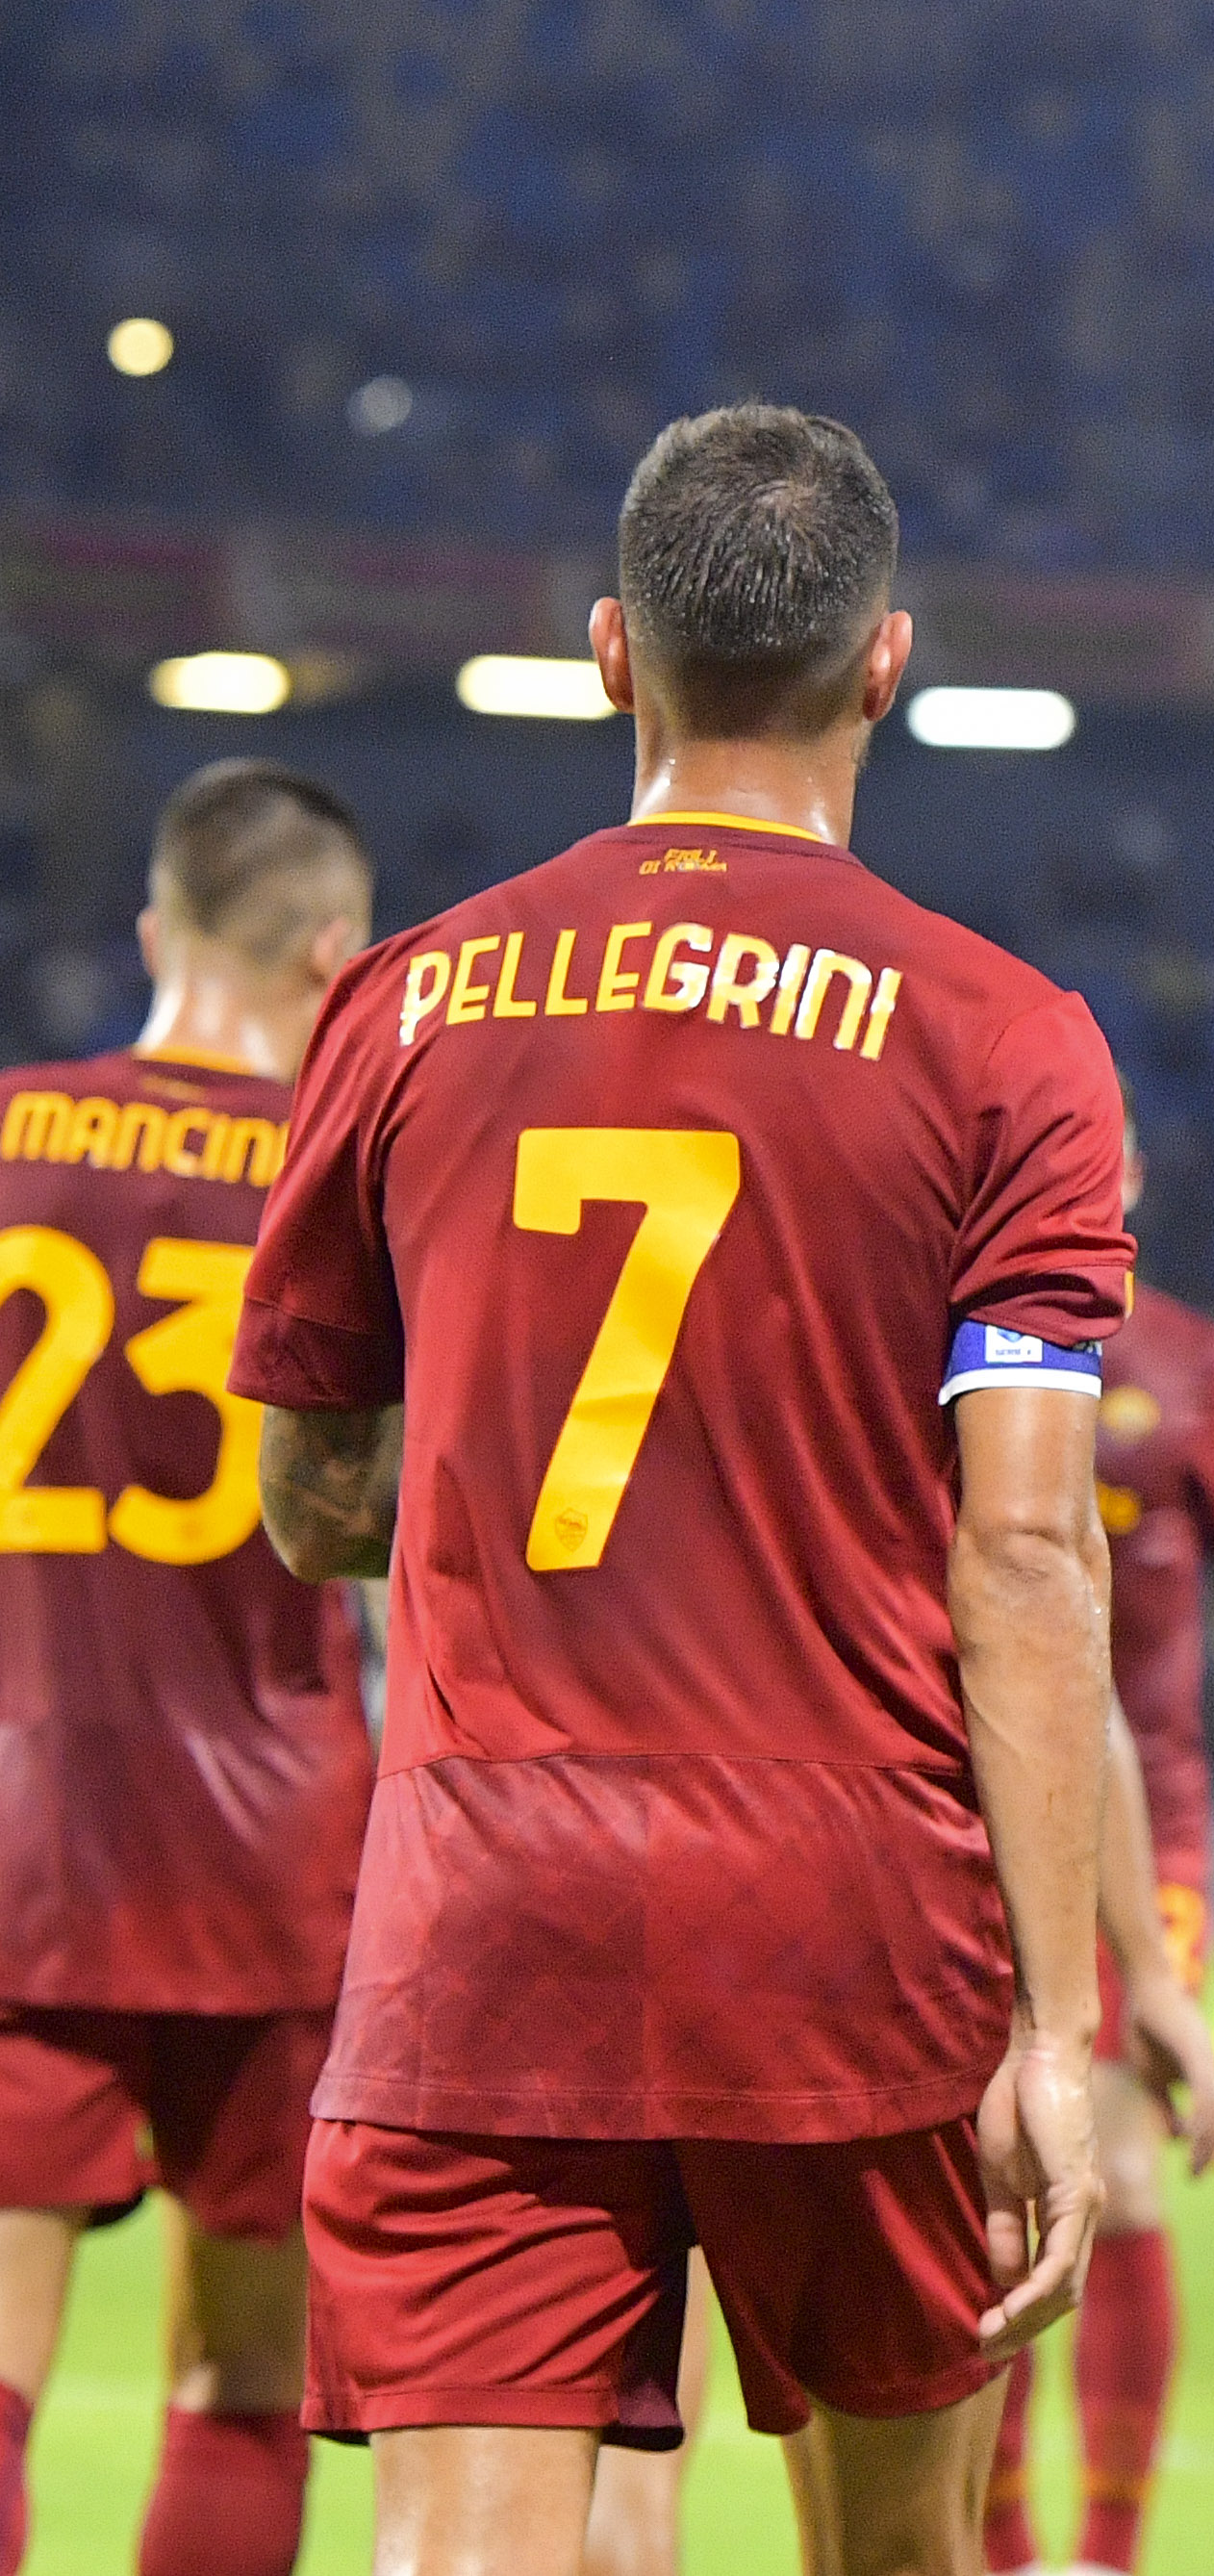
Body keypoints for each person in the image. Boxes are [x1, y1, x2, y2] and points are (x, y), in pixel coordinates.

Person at [229, 402, 1136, 2576]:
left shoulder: (401, 997)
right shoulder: (1005, 1034)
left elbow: (308, 1495)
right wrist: (1059, 2022)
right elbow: (1019, 1544)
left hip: (482, 1908)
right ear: (887, 662)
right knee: (897, 2549)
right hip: (852, 1922)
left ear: (612, 655)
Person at [0, 759, 373, 2576]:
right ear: (336, 953)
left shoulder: (2, 1134)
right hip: (279, 1858)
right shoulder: (346, 1187)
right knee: (245, 2376)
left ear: (154, 930)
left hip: (22, 1837)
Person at [985, 1107, 1214, 2576]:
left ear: (1133, 1173)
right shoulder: (963, 1347)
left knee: (1113, 2143)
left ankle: (1100, 2552)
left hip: (1145, 1818)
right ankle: (995, 2539)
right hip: (972, 1804)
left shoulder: (1194, 1368)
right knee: (982, 2176)